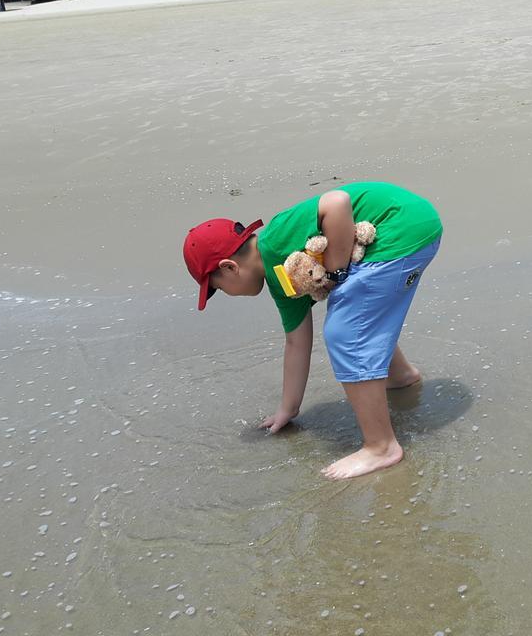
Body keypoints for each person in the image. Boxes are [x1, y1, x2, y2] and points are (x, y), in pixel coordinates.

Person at [183, 182, 442, 479]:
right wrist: (287, 409)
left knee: (344, 332)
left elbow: (336, 202)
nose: (227, 294)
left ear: (229, 268)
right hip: (414, 223)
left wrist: (335, 271)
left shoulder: (276, 237)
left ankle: (381, 447)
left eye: (217, 288)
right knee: (358, 314)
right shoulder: (280, 283)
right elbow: (296, 342)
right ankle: (401, 377)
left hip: (400, 226)